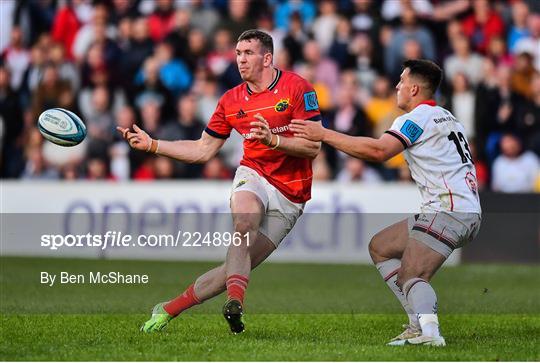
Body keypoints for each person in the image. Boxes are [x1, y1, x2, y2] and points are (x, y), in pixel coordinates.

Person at [118, 29, 322, 334]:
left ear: (267, 58)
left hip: (291, 194)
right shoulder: (231, 100)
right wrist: (153, 145)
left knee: (234, 268)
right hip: (253, 174)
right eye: (238, 53)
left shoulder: (296, 87)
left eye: (248, 53)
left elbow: (313, 146)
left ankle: (168, 309)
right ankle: (235, 303)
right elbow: (203, 150)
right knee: (244, 223)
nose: (240, 59)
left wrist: (274, 141)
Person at [290, 59, 481, 347]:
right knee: (381, 246)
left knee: (412, 274)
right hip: (461, 208)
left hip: (449, 210)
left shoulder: (414, 120)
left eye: (402, 81)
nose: (397, 86)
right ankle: (417, 325)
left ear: (414, 88)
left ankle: (429, 333)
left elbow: (379, 151)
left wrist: (323, 134)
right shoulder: (446, 116)